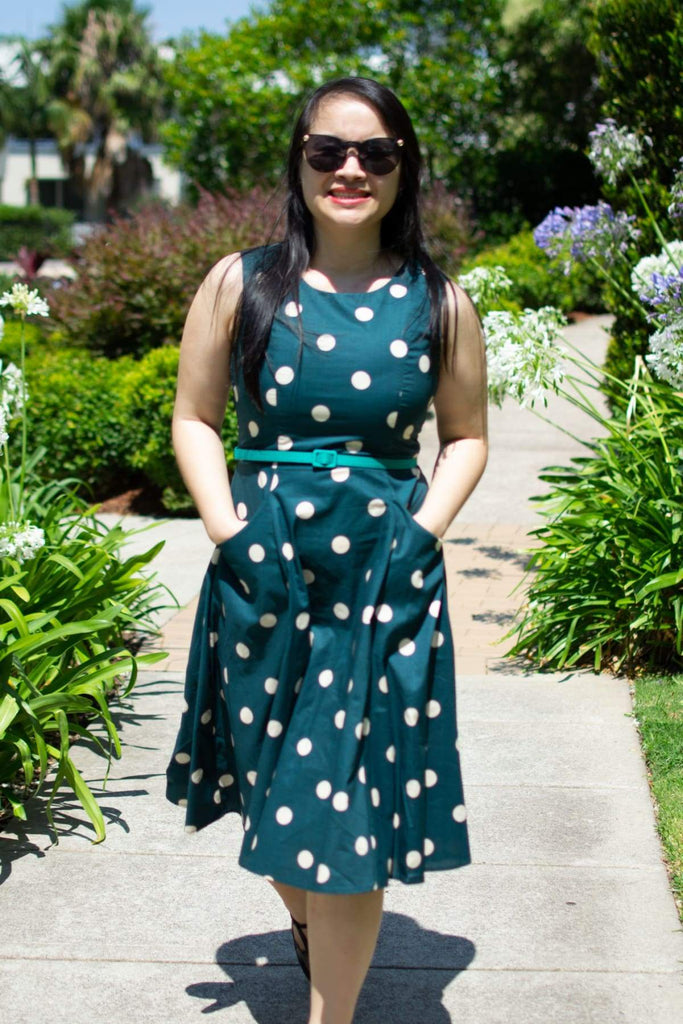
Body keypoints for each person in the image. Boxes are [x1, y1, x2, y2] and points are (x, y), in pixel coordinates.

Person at [166, 76, 488, 1024]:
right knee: (277, 791)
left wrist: (420, 531)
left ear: (402, 170)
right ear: (299, 159)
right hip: (263, 568)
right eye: (328, 151)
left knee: (342, 807)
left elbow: (465, 436)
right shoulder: (240, 282)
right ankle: (313, 935)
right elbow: (194, 417)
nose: (350, 169)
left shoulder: (438, 299)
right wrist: (228, 529)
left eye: (375, 154)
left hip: (382, 576)